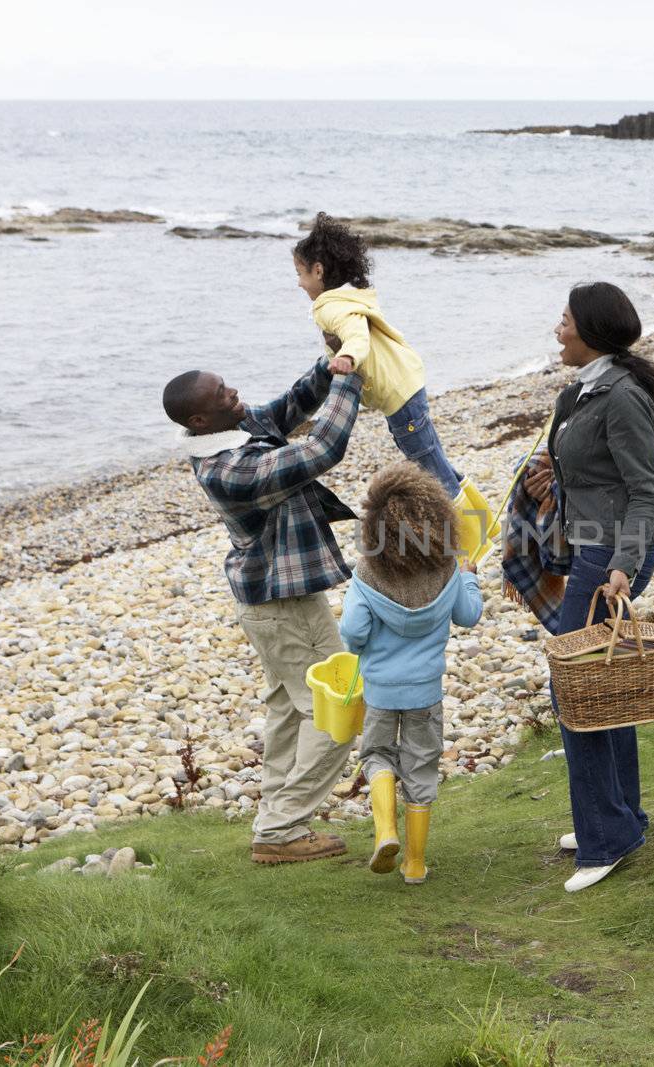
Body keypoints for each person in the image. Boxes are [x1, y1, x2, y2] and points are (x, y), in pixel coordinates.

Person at [162, 356, 361, 864]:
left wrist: (330, 361)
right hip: (280, 605)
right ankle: (281, 829)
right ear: (199, 422)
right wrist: (350, 381)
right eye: (223, 395)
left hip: (277, 599)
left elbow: (292, 405)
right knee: (339, 711)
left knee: (290, 714)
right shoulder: (228, 469)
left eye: (228, 386)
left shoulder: (236, 427)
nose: (236, 395)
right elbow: (321, 449)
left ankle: (276, 819)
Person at [522, 281, 654, 893]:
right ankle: (619, 818)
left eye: (563, 321)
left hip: (612, 553)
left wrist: (624, 566)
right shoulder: (582, 391)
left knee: (576, 692)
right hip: (589, 542)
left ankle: (605, 839)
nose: (556, 330)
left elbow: (646, 493)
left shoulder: (623, 397)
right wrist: (551, 486)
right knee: (602, 687)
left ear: (589, 330)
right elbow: (590, 473)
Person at [339, 462, 484, 884]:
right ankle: (416, 864)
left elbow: (352, 631)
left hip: (382, 691)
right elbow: (468, 616)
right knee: (421, 767)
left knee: (377, 755)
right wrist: (469, 579)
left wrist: (360, 649)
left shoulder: (368, 572)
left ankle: (386, 831)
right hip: (425, 693)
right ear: (436, 517)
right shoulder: (446, 567)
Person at [293, 213, 461, 496]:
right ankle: (484, 527)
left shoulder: (331, 307)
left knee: (430, 472)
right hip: (406, 384)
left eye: (300, 273)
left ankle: (470, 536)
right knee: (436, 461)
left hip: (399, 395)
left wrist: (346, 358)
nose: (299, 283)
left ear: (318, 271)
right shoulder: (349, 298)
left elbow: (356, 336)